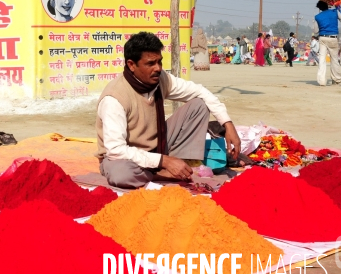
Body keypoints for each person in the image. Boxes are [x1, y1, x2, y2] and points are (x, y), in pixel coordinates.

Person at [96, 31, 241, 189]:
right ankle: (160, 172)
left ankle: (180, 165)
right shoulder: (114, 98)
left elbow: (200, 92)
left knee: (199, 104)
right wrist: (164, 161)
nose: (157, 68)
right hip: (124, 158)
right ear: (131, 65)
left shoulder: (161, 79)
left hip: (157, 146)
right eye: (150, 63)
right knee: (122, 175)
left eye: (159, 62)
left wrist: (227, 124)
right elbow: (116, 150)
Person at [313, 1, 341, 85]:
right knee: (334, 59)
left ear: (320, 8)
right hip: (333, 38)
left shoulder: (317, 17)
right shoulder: (335, 12)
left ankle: (322, 81)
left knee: (322, 59)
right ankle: (336, 79)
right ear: (327, 5)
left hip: (322, 38)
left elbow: (316, 31)